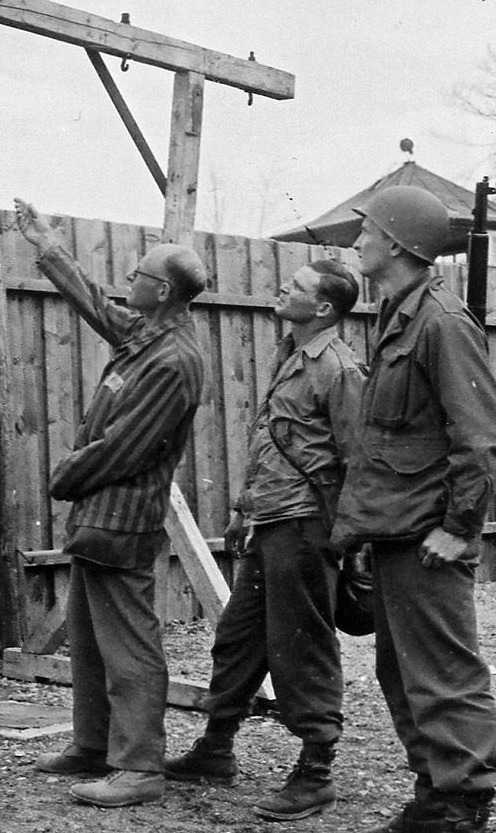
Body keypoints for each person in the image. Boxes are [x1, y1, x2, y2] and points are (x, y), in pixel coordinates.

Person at [14, 198, 207, 809]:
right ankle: (92, 746)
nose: (128, 284)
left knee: (129, 645)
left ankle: (139, 766)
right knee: (93, 640)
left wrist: (66, 475)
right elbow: (95, 302)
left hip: (121, 515)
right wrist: (48, 246)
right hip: (100, 516)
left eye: (138, 277)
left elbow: (123, 448)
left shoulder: (173, 360)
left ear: (163, 290)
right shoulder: (149, 334)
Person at [330, 185, 496, 833]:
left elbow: (481, 434)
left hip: (428, 536)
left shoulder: (439, 320)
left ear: (400, 244)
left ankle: (461, 802)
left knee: (441, 669)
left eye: (368, 231)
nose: (358, 242)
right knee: (402, 669)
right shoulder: (398, 313)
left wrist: (458, 529)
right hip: (397, 528)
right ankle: (436, 794)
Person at [164, 259, 366, 821]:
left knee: (300, 646)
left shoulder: (338, 368)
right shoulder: (290, 353)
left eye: (297, 286)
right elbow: (272, 441)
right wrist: (241, 510)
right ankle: (216, 748)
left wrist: (344, 538)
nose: (284, 287)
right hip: (269, 519)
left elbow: (356, 458)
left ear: (323, 307)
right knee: (240, 637)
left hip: (305, 524)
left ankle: (316, 771)